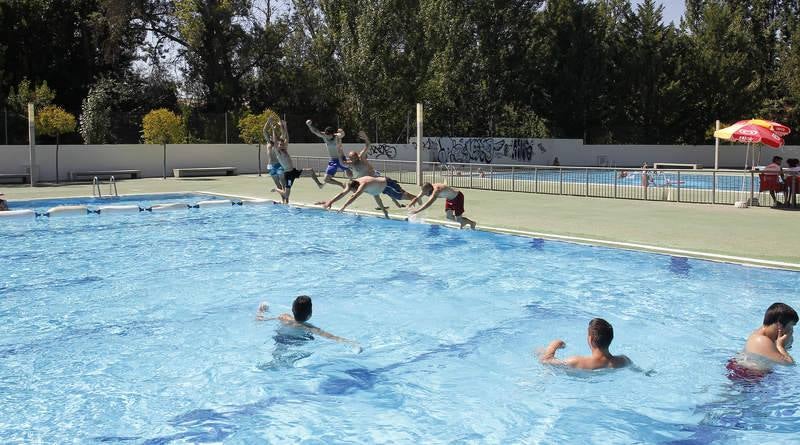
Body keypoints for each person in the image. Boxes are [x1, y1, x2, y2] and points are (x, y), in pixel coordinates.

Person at [256, 296, 360, 349]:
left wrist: (261, 310)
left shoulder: (284, 317)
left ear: (292, 309)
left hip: (280, 339)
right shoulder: (311, 328)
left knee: (278, 352)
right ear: (310, 314)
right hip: (297, 343)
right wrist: (352, 343)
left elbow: (260, 320)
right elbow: (332, 337)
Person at [727, 302, 796, 380]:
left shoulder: (764, 335)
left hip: (748, 374)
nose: (791, 330)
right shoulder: (761, 340)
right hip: (746, 377)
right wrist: (780, 346)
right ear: (779, 325)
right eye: (791, 326)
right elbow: (789, 364)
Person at [342, 130, 406, 209]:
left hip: (374, 178)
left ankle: (395, 204)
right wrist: (338, 144)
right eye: (351, 158)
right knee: (376, 195)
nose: (353, 159)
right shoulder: (350, 162)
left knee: (387, 191)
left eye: (354, 157)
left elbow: (368, 145)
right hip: (366, 182)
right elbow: (342, 161)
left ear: (356, 156)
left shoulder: (361, 157)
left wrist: (365, 138)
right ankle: (384, 208)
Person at [539, 318, 631, 370]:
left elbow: (545, 361)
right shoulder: (623, 361)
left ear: (590, 339)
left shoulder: (576, 361)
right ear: (611, 338)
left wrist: (554, 344)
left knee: (539, 351)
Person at [271, 120, 324, 203]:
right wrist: (273, 129)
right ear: (277, 146)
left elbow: (287, 138)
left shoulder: (285, 150)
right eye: (280, 144)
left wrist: (285, 126)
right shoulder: (278, 153)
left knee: (311, 171)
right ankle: (276, 189)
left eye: (282, 144)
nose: (282, 145)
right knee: (286, 195)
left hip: (293, 171)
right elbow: (274, 142)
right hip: (288, 175)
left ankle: (319, 184)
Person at [317, 176, 416, 219]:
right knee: (377, 198)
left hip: (387, 184)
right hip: (376, 189)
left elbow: (354, 197)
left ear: (357, 187)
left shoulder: (363, 185)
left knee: (400, 196)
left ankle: (415, 198)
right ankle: (385, 212)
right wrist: (331, 201)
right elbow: (342, 193)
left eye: (354, 190)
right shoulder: (351, 183)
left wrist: (343, 207)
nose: (353, 191)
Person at [407, 182, 476, 229]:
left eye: (426, 193)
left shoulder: (436, 191)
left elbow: (428, 203)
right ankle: (462, 222)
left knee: (459, 219)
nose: (424, 194)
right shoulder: (426, 188)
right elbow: (417, 197)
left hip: (458, 197)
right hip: (449, 199)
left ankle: (472, 223)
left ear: (430, 190)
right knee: (449, 216)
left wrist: (417, 211)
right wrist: (410, 204)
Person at [306, 119, 349, 188]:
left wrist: (342, 131)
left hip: (341, 159)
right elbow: (315, 131)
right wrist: (309, 125)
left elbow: (342, 134)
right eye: (326, 135)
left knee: (350, 175)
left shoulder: (337, 136)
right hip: (333, 160)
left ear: (332, 134)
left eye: (328, 135)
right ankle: (342, 184)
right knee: (326, 179)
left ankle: (355, 187)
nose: (327, 136)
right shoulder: (324, 136)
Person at [262, 118, 285, 191]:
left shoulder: (278, 143)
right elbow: (264, 131)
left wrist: (281, 126)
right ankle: (283, 199)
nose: (271, 137)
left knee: (283, 183)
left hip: (279, 165)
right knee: (278, 185)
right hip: (271, 166)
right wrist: (268, 122)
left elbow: (283, 133)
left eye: (272, 136)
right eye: (270, 136)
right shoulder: (269, 143)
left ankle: (286, 199)